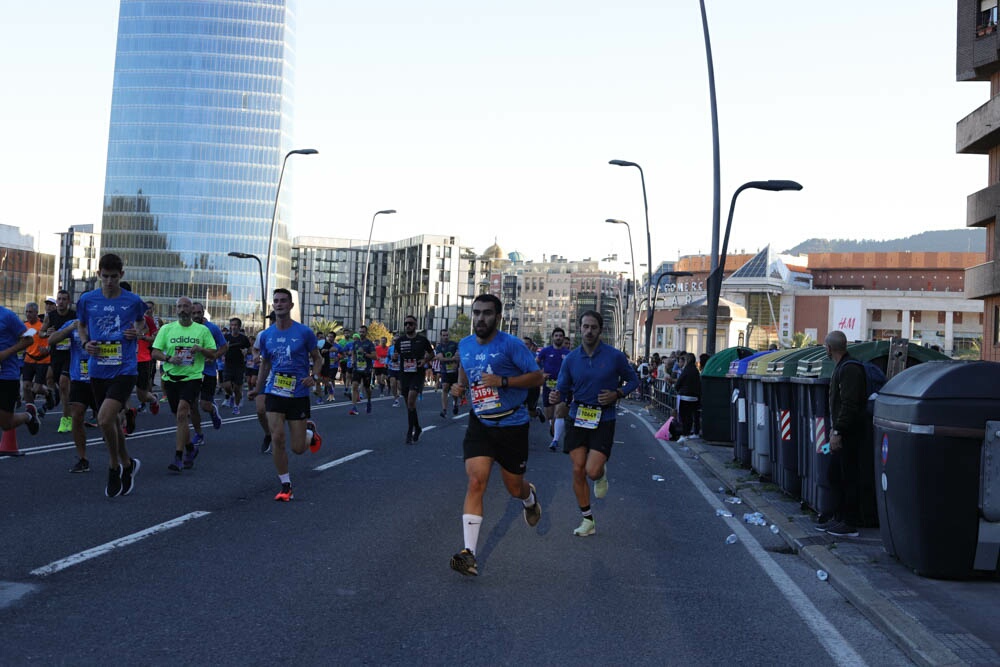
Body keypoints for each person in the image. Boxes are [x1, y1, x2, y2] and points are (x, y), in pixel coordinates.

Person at [447, 294, 544, 576]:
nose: (480, 318)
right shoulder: (464, 344)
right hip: (481, 423)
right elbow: (465, 367)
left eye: (487, 313)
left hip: (513, 424)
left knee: (514, 487)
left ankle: (529, 499)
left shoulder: (511, 345)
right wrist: (460, 387)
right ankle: (469, 554)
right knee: (476, 480)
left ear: (498, 317)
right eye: (476, 313)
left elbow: (537, 377)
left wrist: (504, 381)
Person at [549, 310, 638, 537]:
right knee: (578, 469)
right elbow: (562, 388)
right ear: (580, 329)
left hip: (604, 418)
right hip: (578, 416)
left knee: (591, 470)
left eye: (593, 327)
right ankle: (587, 520)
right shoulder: (571, 359)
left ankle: (600, 473)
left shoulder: (614, 356)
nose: (589, 331)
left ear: (600, 330)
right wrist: (556, 397)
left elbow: (634, 380)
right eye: (585, 326)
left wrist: (617, 393)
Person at [76, 253, 147, 497]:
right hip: (98, 368)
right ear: (98, 275)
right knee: (113, 422)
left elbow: (142, 324)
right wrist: (85, 343)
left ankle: (113, 466)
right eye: (104, 277)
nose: (108, 282)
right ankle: (128, 464)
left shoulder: (133, 301)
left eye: (113, 277)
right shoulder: (87, 300)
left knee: (105, 419)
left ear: (121, 276)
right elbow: (82, 325)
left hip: (125, 368)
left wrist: (135, 332)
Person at [249, 289, 323, 501]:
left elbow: (318, 359)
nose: (279, 304)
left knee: (298, 448)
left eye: (283, 301)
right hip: (275, 390)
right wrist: (258, 388)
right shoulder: (267, 335)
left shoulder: (304, 332)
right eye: (276, 301)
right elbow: (265, 363)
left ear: (291, 306)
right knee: (277, 438)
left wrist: (314, 377)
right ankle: (285, 485)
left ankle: (309, 432)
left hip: (298, 392)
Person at [151, 297, 217, 472]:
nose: (182, 310)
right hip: (171, 379)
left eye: (186, 306)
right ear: (176, 310)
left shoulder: (202, 331)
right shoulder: (167, 329)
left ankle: (178, 457)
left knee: (182, 414)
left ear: (191, 309)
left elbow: (213, 354)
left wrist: (201, 350)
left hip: (192, 378)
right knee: (179, 418)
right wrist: (168, 358)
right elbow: (155, 352)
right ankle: (190, 447)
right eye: (179, 307)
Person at [817, 330, 867, 538]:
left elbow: (849, 404)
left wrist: (838, 431)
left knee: (848, 477)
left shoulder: (850, 369)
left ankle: (849, 522)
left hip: (849, 433)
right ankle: (838, 518)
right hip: (842, 431)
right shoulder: (843, 367)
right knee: (835, 475)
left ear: (829, 348)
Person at [46, 319, 95, 472]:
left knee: (107, 420)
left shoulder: (103, 321)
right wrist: (69, 329)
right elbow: (52, 340)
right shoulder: (73, 323)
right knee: (77, 416)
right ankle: (82, 459)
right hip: (79, 377)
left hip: (100, 378)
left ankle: (119, 458)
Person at [189, 302, 227, 444]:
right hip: (191, 372)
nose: (197, 316)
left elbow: (224, 347)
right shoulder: (187, 328)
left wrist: (214, 357)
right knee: (192, 405)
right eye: (194, 313)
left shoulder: (212, 328)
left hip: (208, 372)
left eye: (199, 313)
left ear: (203, 312)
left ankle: (212, 410)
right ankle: (199, 435)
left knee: (204, 405)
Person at [0, 305, 41, 437]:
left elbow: (29, 339)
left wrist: (5, 354)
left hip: (6, 376)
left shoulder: (7, 316)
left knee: (6, 424)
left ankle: (28, 416)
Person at [41, 290, 77, 432]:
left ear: (68, 301)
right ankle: (56, 397)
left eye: (64, 299)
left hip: (70, 354)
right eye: (59, 299)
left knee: (63, 384)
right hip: (56, 354)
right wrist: (47, 333)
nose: (61, 301)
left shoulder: (74, 316)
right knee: (49, 379)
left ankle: (66, 419)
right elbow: (41, 333)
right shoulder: (50, 316)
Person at [396, 315, 434, 443]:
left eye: (411, 324)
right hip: (404, 374)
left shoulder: (422, 340)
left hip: (417, 374)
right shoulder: (399, 340)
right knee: (409, 405)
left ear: (415, 326)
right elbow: (395, 355)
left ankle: (409, 431)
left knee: (411, 400)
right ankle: (417, 428)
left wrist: (424, 360)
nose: (408, 326)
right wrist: (394, 357)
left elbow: (431, 354)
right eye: (406, 323)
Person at [536, 327, 571, 451]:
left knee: (559, 413)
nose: (558, 338)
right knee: (549, 415)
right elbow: (535, 363)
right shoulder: (545, 351)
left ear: (563, 338)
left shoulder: (568, 354)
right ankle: (552, 425)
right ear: (552, 337)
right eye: (556, 335)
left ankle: (555, 441)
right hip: (548, 386)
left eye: (561, 336)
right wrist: (541, 374)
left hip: (562, 387)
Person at [21, 302, 53, 416]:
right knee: (26, 386)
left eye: (30, 312)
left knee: (37, 388)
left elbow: (50, 340)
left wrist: (47, 349)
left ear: (36, 313)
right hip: (29, 359)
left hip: (42, 360)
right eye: (27, 312)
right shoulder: (24, 326)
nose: (28, 314)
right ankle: (31, 410)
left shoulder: (43, 326)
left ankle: (48, 393)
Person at [252, 311, 276, 453]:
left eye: (275, 319)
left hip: (282, 379)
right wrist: (256, 356)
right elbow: (255, 349)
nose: (272, 321)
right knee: (260, 410)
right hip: (266, 376)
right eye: (271, 319)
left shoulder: (291, 334)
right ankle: (268, 434)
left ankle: (277, 437)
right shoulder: (263, 335)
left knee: (275, 412)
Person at [222, 317, 251, 414]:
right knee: (226, 386)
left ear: (239, 327)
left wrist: (246, 352)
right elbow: (221, 347)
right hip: (228, 364)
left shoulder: (243, 338)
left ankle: (236, 406)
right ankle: (231, 396)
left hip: (239, 366)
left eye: (235, 325)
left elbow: (250, 349)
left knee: (237, 389)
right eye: (232, 325)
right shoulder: (226, 337)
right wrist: (222, 354)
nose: (233, 327)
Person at [348, 328, 376, 415]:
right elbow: (353, 353)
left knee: (367, 388)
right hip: (357, 368)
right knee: (354, 386)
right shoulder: (356, 343)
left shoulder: (369, 343)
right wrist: (353, 361)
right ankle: (354, 407)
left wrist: (364, 353)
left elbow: (374, 357)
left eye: (363, 332)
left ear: (366, 333)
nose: (361, 333)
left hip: (366, 369)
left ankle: (369, 401)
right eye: (360, 332)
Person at [436, 329, 461, 418]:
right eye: (444, 335)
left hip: (454, 372)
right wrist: (453, 359)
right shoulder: (439, 347)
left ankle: (455, 404)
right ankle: (444, 410)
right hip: (445, 371)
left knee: (454, 389)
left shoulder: (454, 344)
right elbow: (441, 359)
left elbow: (458, 357)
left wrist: (456, 360)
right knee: (445, 387)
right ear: (441, 336)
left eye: (447, 335)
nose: (446, 337)